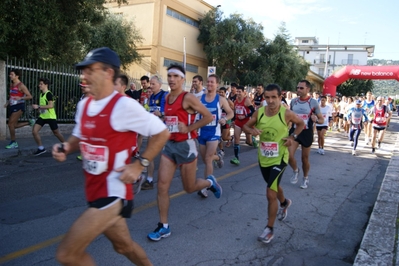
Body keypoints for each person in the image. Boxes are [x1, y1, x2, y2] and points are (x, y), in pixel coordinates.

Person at [52, 47, 170, 266]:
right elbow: (79, 136)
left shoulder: (123, 106)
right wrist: (66, 147)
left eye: (89, 70)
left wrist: (140, 164)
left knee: (67, 254)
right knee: (123, 246)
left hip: (113, 193)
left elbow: (162, 132)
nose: (83, 76)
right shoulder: (85, 104)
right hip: (93, 190)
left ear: (107, 72)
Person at [147, 64, 222, 242]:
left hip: (186, 146)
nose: (171, 79)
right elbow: (171, 117)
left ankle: (209, 182)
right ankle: (163, 226)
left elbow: (208, 117)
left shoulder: (187, 98)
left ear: (182, 79)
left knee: (189, 188)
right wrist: (163, 118)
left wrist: (188, 128)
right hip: (169, 146)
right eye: (169, 75)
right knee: (162, 186)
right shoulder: (166, 97)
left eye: (175, 76)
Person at [243, 84, 304, 244]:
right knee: (274, 185)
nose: (270, 101)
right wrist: (251, 131)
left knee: (270, 192)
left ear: (279, 97)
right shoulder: (260, 113)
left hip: (280, 157)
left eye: (273, 97)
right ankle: (284, 202)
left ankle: (269, 229)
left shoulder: (287, 114)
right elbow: (245, 125)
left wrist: (292, 137)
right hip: (264, 158)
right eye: (267, 97)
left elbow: (301, 124)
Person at [197, 74, 234, 198]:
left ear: (217, 84)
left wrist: (224, 118)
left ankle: (207, 186)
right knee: (206, 159)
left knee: (207, 158)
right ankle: (218, 157)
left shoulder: (221, 99)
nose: (209, 84)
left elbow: (231, 113)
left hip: (214, 132)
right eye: (208, 82)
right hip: (202, 132)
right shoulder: (200, 98)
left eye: (212, 82)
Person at [289, 80, 324, 189]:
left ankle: (305, 177)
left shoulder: (313, 102)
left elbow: (322, 119)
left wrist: (316, 120)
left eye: (301, 88)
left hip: (306, 132)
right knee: (288, 156)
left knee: (304, 159)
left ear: (308, 89)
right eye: (297, 87)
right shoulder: (293, 101)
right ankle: (295, 170)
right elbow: (290, 116)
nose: (298, 90)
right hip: (295, 132)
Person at [141, 74, 168, 190]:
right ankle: (150, 180)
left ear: (160, 85)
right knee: (149, 154)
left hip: (163, 131)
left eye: (153, 84)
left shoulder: (164, 95)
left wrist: (161, 114)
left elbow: (169, 113)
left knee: (166, 157)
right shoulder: (151, 97)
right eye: (150, 84)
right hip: (153, 130)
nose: (150, 86)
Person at [31, 78, 65, 155]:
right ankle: (41, 148)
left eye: (41, 84)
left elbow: (51, 105)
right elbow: (43, 106)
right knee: (34, 131)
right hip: (43, 116)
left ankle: (66, 145)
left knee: (56, 133)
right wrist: (38, 109)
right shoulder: (41, 94)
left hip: (50, 116)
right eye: (39, 84)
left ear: (46, 85)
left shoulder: (49, 94)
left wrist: (38, 106)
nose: (39, 85)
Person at [4, 69, 33, 149]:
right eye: (10, 74)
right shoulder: (11, 85)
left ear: (17, 76)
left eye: (12, 74)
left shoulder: (21, 85)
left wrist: (20, 97)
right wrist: (7, 103)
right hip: (12, 106)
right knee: (14, 125)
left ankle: (13, 142)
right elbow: (11, 96)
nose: (10, 76)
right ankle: (29, 123)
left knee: (10, 124)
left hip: (19, 106)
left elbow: (30, 96)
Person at [230, 85, 257, 166]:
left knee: (249, 142)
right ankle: (236, 158)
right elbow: (235, 112)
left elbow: (253, 111)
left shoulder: (246, 101)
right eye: (237, 92)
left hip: (246, 122)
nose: (238, 93)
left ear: (243, 92)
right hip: (238, 122)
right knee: (236, 139)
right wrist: (233, 120)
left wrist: (245, 116)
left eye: (239, 92)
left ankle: (252, 139)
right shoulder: (235, 101)